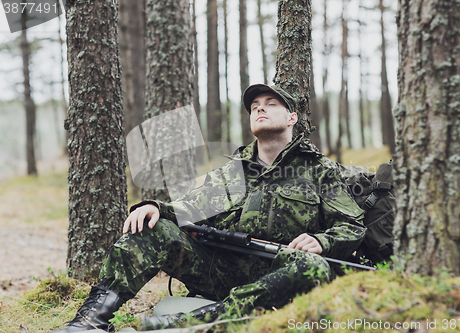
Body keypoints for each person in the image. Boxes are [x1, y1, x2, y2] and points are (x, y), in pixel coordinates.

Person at [50, 84, 366, 332]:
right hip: (225, 270)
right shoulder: (232, 172)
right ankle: (90, 321)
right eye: (255, 107)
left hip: (282, 275)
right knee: (153, 226)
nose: (260, 110)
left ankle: (198, 322)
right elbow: (191, 207)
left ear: (292, 118)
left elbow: (352, 226)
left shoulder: (319, 170)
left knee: (314, 267)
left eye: (270, 105)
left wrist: (321, 242)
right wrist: (156, 207)